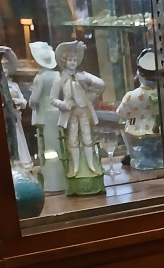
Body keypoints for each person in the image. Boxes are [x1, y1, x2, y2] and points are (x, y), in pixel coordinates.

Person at [51, 40, 106, 195]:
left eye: (75, 60)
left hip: (84, 110)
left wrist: (88, 83)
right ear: (64, 61)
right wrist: (63, 104)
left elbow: (101, 85)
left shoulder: (83, 76)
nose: (73, 63)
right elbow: (52, 99)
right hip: (71, 113)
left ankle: (91, 165)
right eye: (70, 60)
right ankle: (75, 167)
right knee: (73, 139)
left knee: (88, 138)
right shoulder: (59, 79)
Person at [28, 41, 65, 192]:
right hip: (57, 111)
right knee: (58, 145)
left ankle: (51, 182)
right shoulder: (57, 75)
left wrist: (30, 102)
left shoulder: (40, 78)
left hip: (44, 114)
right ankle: (61, 179)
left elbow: (35, 99)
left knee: (47, 148)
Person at [0, 45, 32, 167]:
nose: (4, 70)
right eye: (1, 67)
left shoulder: (14, 86)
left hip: (15, 118)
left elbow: (24, 102)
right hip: (4, 120)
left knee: (19, 139)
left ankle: (23, 163)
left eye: (6, 67)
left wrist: (16, 101)